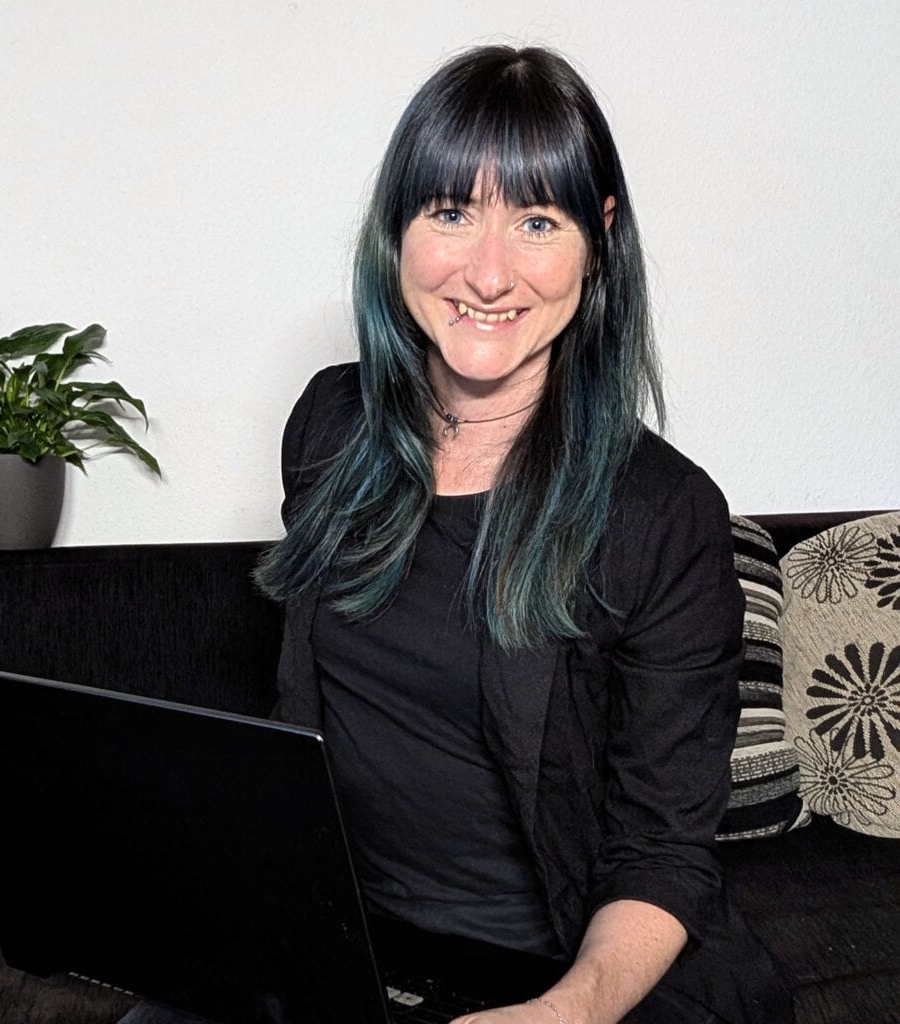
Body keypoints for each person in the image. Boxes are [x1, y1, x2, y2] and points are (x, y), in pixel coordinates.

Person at [255, 45, 792, 1024]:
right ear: (397, 228)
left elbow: (661, 847)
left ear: (599, 238)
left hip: (565, 973)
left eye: (537, 221)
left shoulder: (662, 515)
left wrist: (566, 1012)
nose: (489, 273)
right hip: (352, 941)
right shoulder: (328, 427)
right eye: (450, 212)